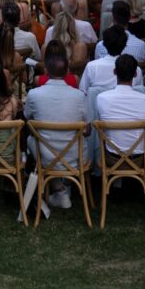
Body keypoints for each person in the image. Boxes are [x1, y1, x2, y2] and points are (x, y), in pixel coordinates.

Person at [24, 43, 90, 209]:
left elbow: (27, 118)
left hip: (47, 156)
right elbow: (87, 130)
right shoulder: (79, 96)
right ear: (68, 71)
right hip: (75, 156)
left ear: (46, 70)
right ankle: (61, 188)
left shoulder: (34, 94)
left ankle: (60, 189)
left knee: (33, 140)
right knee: (72, 139)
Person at [96, 52, 145, 168]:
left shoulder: (101, 98)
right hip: (138, 160)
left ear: (114, 72)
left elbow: (101, 131)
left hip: (111, 158)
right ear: (135, 74)